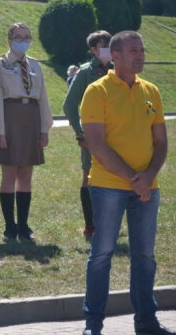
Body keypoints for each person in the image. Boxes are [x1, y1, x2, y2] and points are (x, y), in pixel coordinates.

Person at [81, 31, 175, 335]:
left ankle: (146, 322)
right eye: (134, 51)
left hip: (147, 186)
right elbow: (97, 145)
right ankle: (93, 324)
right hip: (109, 185)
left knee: (145, 256)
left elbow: (160, 142)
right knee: (103, 254)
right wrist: (134, 179)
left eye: (142, 50)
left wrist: (147, 177)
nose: (141, 56)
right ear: (115, 56)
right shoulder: (97, 91)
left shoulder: (152, 91)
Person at [0, 23, 52, 241]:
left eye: (26, 37)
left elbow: (43, 98)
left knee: (26, 174)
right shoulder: (0, 64)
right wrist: (0, 132)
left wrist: (44, 129)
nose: (22, 40)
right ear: (9, 39)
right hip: (10, 118)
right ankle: (10, 226)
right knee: (9, 173)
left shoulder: (35, 65)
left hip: (31, 119)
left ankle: (24, 225)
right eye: (18, 36)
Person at [62, 30, 113, 238]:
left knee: (113, 177)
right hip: (92, 135)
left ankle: (108, 223)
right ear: (93, 49)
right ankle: (90, 225)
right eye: (103, 46)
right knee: (89, 176)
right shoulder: (85, 73)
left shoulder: (116, 70)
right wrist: (80, 133)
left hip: (115, 134)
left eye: (110, 45)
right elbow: (69, 105)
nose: (108, 50)